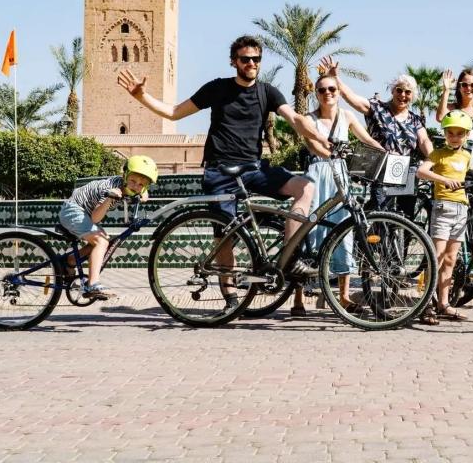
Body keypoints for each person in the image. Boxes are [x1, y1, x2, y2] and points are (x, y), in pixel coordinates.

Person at [117, 35, 329, 311]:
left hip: (254, 168)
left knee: (305, 187)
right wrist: (141, 96)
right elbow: (173, 112)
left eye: (256, 59)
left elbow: (297, 119)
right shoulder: (217, 89)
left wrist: (324, 144)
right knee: (225, 234)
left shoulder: (267, 92)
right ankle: (230, 297)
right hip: (220, 170)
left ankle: (289, 259)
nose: (251, 63)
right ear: (234, 62)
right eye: (245, 59)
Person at [290, 73, 384, 316]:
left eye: (332, 88)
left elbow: (368, 139)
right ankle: (298, 298)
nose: (328, 93)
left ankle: (342, 296)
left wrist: (388, 153)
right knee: (308, 232)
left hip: (340, 176)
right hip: (315, 175)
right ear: (316, 94)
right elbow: (313, 145)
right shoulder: (308, 119)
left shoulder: (346, 116)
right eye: (322, 90)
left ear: (338, 91)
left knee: (344, 230)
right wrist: (329, 152)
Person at [319, 55, 433, 219]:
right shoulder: (378, 108)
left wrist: (434, 157)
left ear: (412, 96)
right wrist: (335, 78)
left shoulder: (414, 120)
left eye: (408, 92)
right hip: (382, 170)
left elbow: (424, 140)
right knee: (381, 214)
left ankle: (402, 245)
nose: (402, 95)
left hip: (406, 171)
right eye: (399, 90)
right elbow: (353, 98)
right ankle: (371, 242)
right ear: (392, 90)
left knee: (405, 219)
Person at [58, 155, 158, 301]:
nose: (136, 186)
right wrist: (109, 198)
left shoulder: (131, 186)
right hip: (73, 210)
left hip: (84, 212)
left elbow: (142, 192)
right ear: (124, 176)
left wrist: (143, 192)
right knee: (101, 242)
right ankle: (92, 284)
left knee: (105, 241)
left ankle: (70, 261)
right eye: (132, 181)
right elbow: (95, 218)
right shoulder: (110, 189)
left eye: (141, 184)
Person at [417, 110, 473, 324]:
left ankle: (444, 303)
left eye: (460, 133)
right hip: (442, 207)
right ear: (445, 133)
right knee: (437, 257)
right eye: (451, 132)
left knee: (450, 260)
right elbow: (421, 171)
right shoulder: (438, 154)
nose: (455, 136)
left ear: (466, 135)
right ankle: (426, 304)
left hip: (462, 208)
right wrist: (442, 179)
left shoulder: (468, 156)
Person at [436, 68, 473, 144]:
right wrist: (446, 90)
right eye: (464, 85)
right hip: (457, 154)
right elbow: (440, 118)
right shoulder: (451, 109)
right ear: (459, 87)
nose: (469, 88)